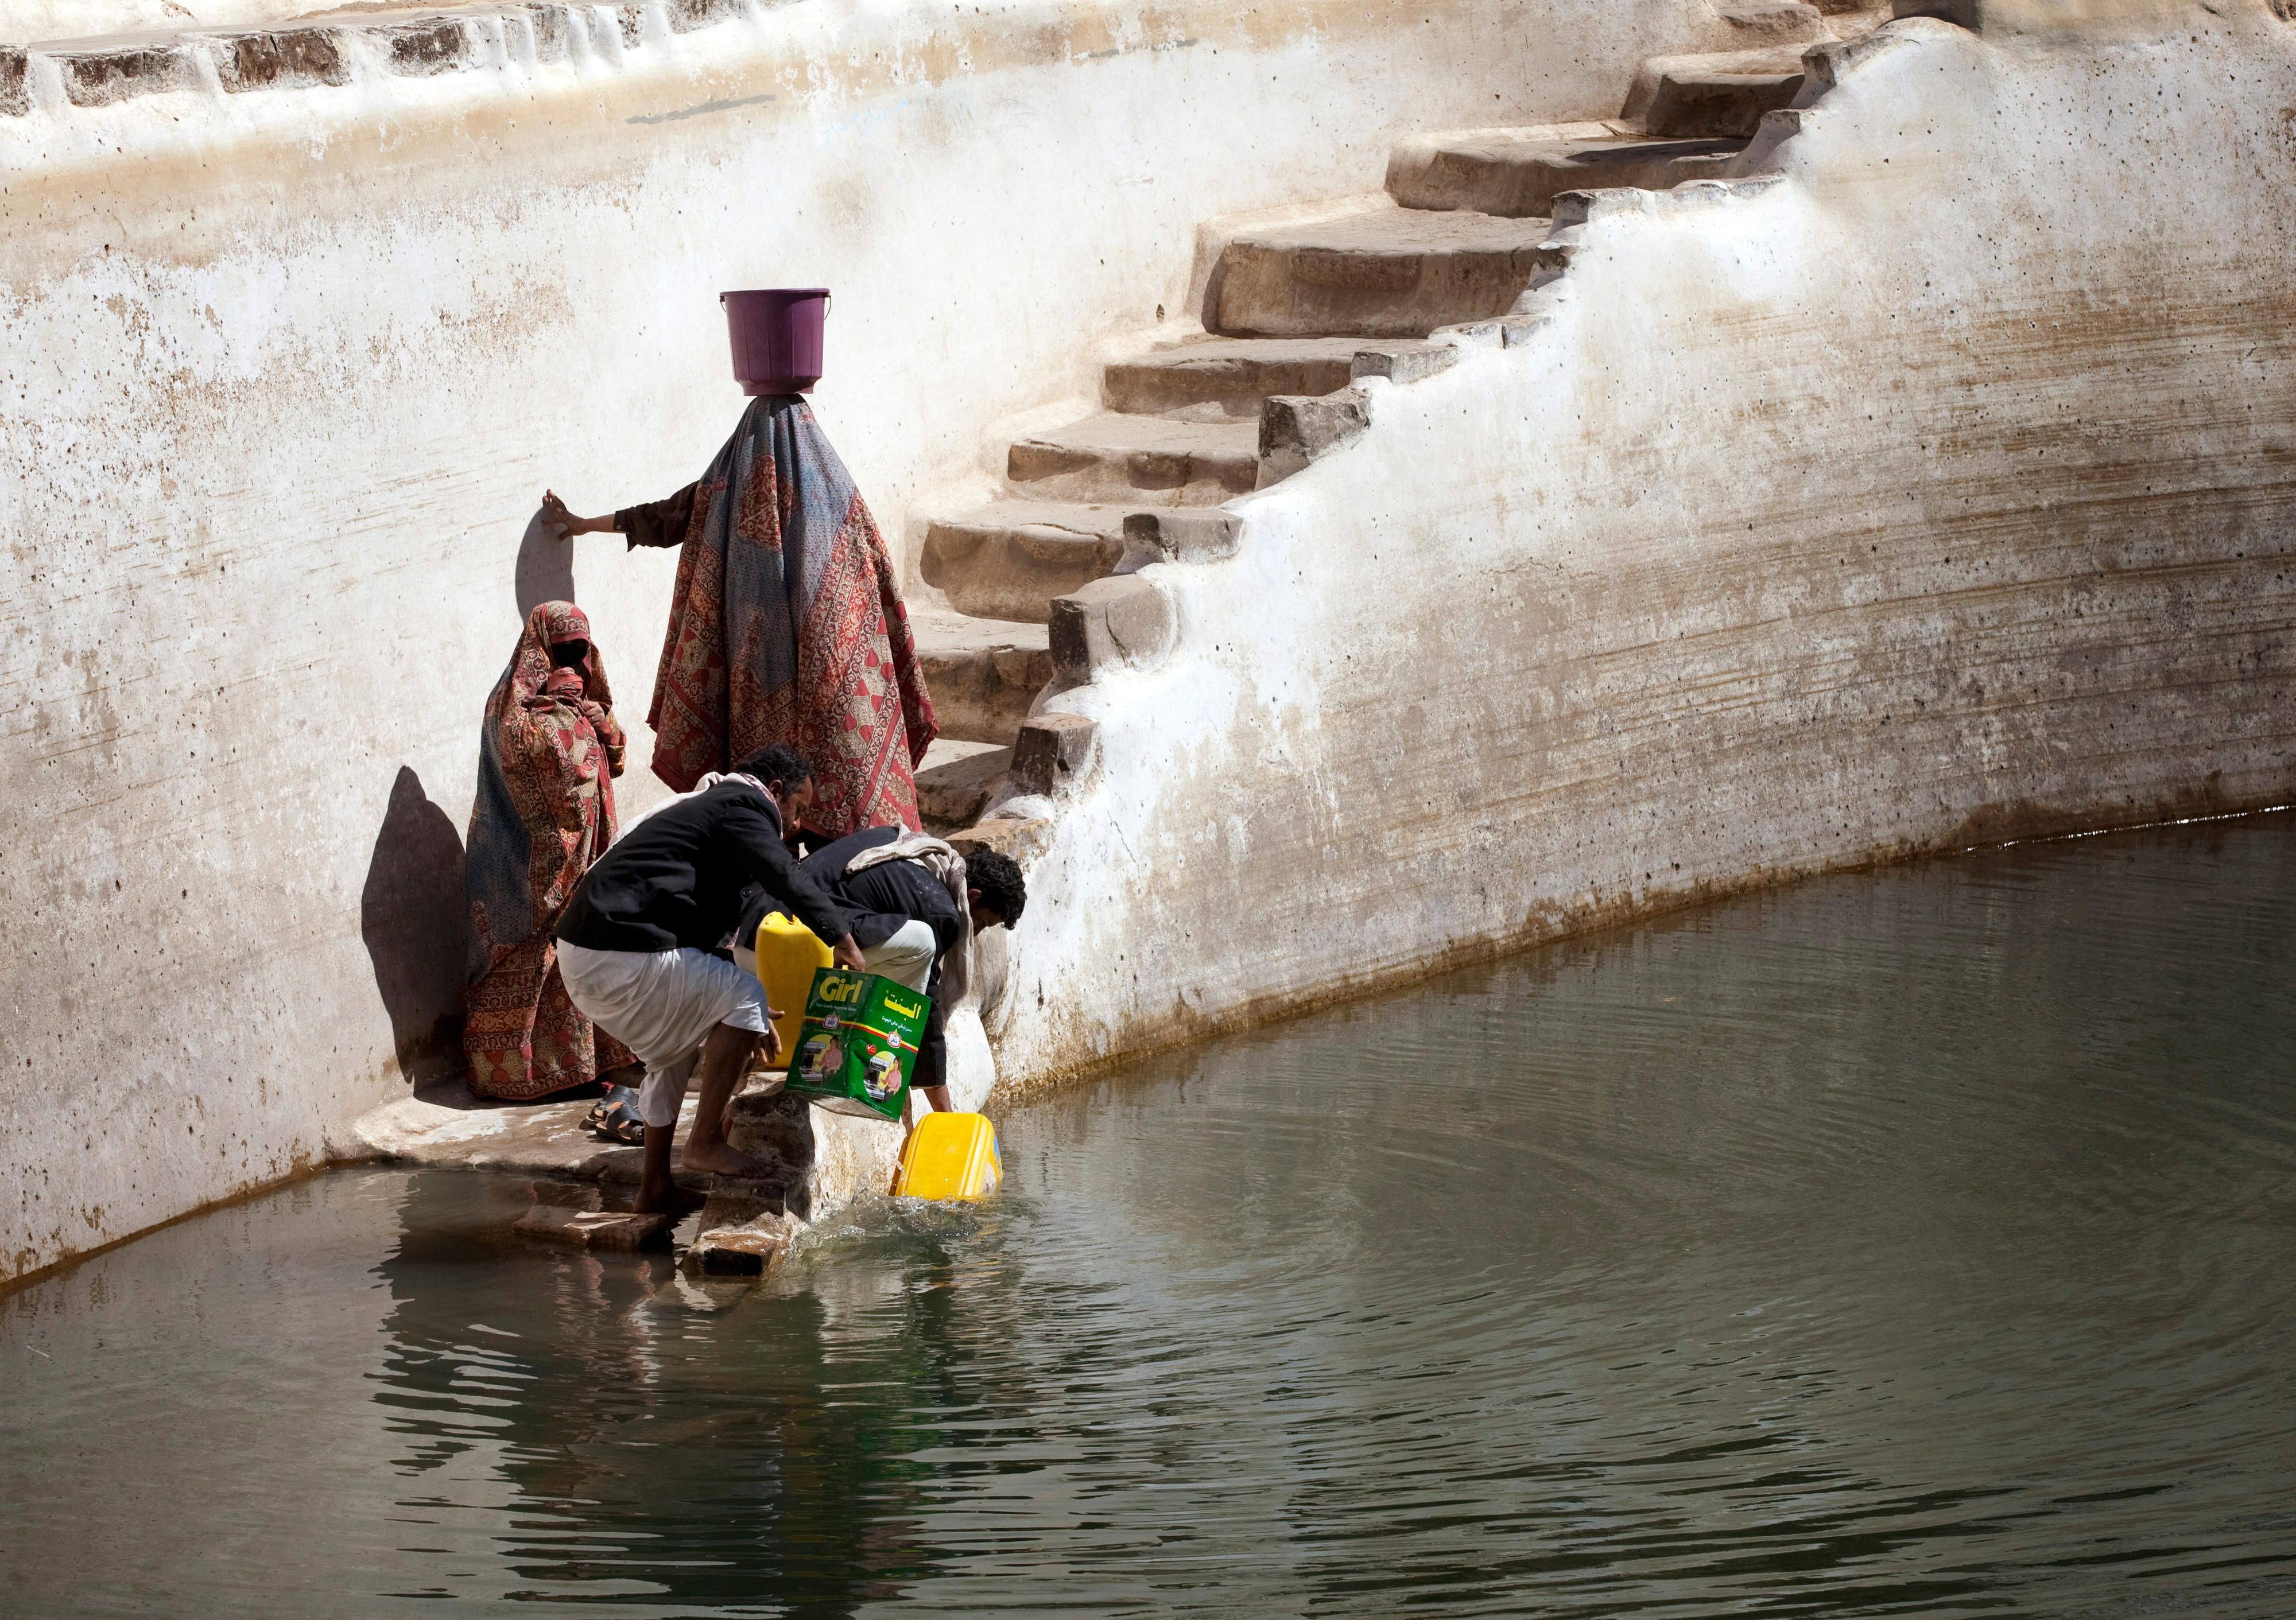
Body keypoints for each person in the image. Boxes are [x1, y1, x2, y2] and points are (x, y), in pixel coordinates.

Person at [539, 394, 938, 838]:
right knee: (820, 809)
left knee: (765, 809)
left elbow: (664, 517)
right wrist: (580, 522)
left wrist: (581, 523)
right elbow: (878, 578)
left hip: (752, 681)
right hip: (822, 684)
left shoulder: (727, 486)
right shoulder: (831, 489)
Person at [554, 743, 867, 1213]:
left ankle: (655, 1187)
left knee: (675, 1053)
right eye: (798, 809)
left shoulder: (713, 811)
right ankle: (703, 1144)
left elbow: (707, 932)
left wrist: (746, 1014)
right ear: (775, 791)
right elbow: (785, 875)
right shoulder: (743, 805)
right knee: (746, 993)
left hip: (590, 954)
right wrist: (842, 938)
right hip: (613, 951)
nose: (798, 824)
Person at [461, 602, 646, 1122]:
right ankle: (522, 1074)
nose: (572, 659)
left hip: (587, 855)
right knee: (538, 953)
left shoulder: (584, 699)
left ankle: (583, 1066)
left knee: (583, 947)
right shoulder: (511, 709)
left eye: (579, 650)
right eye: (561, 650)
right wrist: (563, 720)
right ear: (538, 649)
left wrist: (595, 720)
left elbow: (616, 758)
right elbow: (532, 757)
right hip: (524, 862)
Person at [782, 828, 1027, 1114]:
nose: (976, 933)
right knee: (921, 942)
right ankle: (883, 1051)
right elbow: (927, 1006)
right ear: (972, 897)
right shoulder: (941, 911)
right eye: (983, 923)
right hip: (799, 939)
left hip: (762, 934)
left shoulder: (902, 842)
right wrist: (944, 1111)